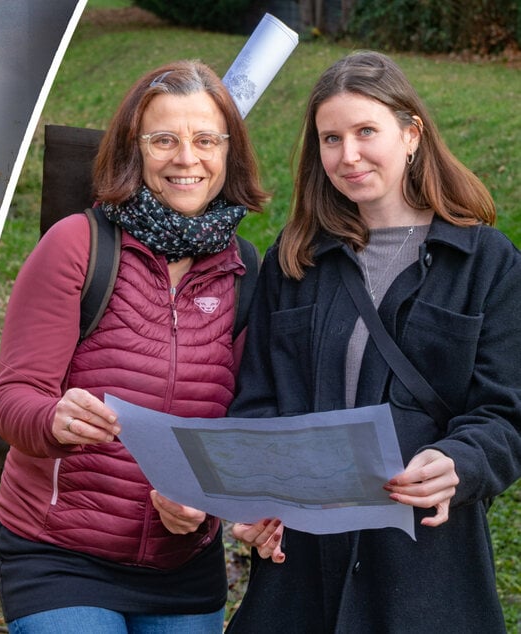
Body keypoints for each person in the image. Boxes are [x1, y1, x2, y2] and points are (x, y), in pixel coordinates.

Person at [225, 51, 521, 633]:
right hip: (300, 572)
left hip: (425, 572)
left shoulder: (486, 262)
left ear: (411, 134)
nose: (348, 155)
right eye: (330, 139)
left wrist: (460, 460)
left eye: (366, 131)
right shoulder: (296, 259)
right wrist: (256, 496)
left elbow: (506, 413)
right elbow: (257, 401)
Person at [0, 59, 268, 633]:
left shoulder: (247, 269)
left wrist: (207, 503)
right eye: (163, 139)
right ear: (133, 149)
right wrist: (52, 417)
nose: (186, 158)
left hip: (182, 563)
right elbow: (12, 398)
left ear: (227, 153)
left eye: (205, 140)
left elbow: (243, 422)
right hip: (59, 553)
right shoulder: (78, 245)